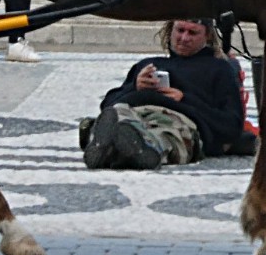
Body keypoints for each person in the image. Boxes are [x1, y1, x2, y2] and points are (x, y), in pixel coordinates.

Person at [81, 18, 254, 170]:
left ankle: (137, 145)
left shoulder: (219, 69)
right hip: (135, 111)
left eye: (192, 33)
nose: (184, 38)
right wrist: (135, 87)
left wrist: (184, 99)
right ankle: (115, 140)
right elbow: (107, 105)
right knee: (118, 113)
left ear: (207, 36)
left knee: (167, 133)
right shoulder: (148, 64)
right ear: (171, 30)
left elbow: (231, 125)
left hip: (179, 121)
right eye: (180, 30)